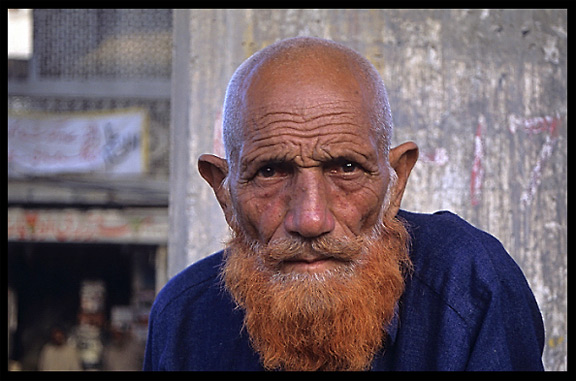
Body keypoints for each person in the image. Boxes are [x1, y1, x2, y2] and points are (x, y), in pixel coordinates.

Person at [144, 37, 544, 371]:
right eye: (269, 172)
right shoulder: (183, 319)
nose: (311, 219)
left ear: (396, 182)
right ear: (225, 192)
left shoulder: (467, 285)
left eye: (347, 168)